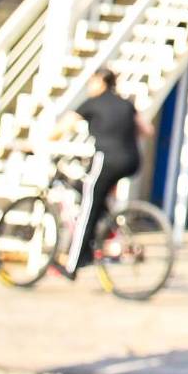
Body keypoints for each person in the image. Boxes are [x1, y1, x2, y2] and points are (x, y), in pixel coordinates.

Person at [67, 69, 148, 269]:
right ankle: (107, 230)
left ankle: (75, 262)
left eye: (91, 82)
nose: (89, 87)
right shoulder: (126, 104)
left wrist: (39, 141)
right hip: (131, 160)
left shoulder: (93, 103)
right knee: (96, 196)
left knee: (88, 204)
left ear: (101, 82)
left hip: (107, 160)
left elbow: (64, 126)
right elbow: (147, 130)